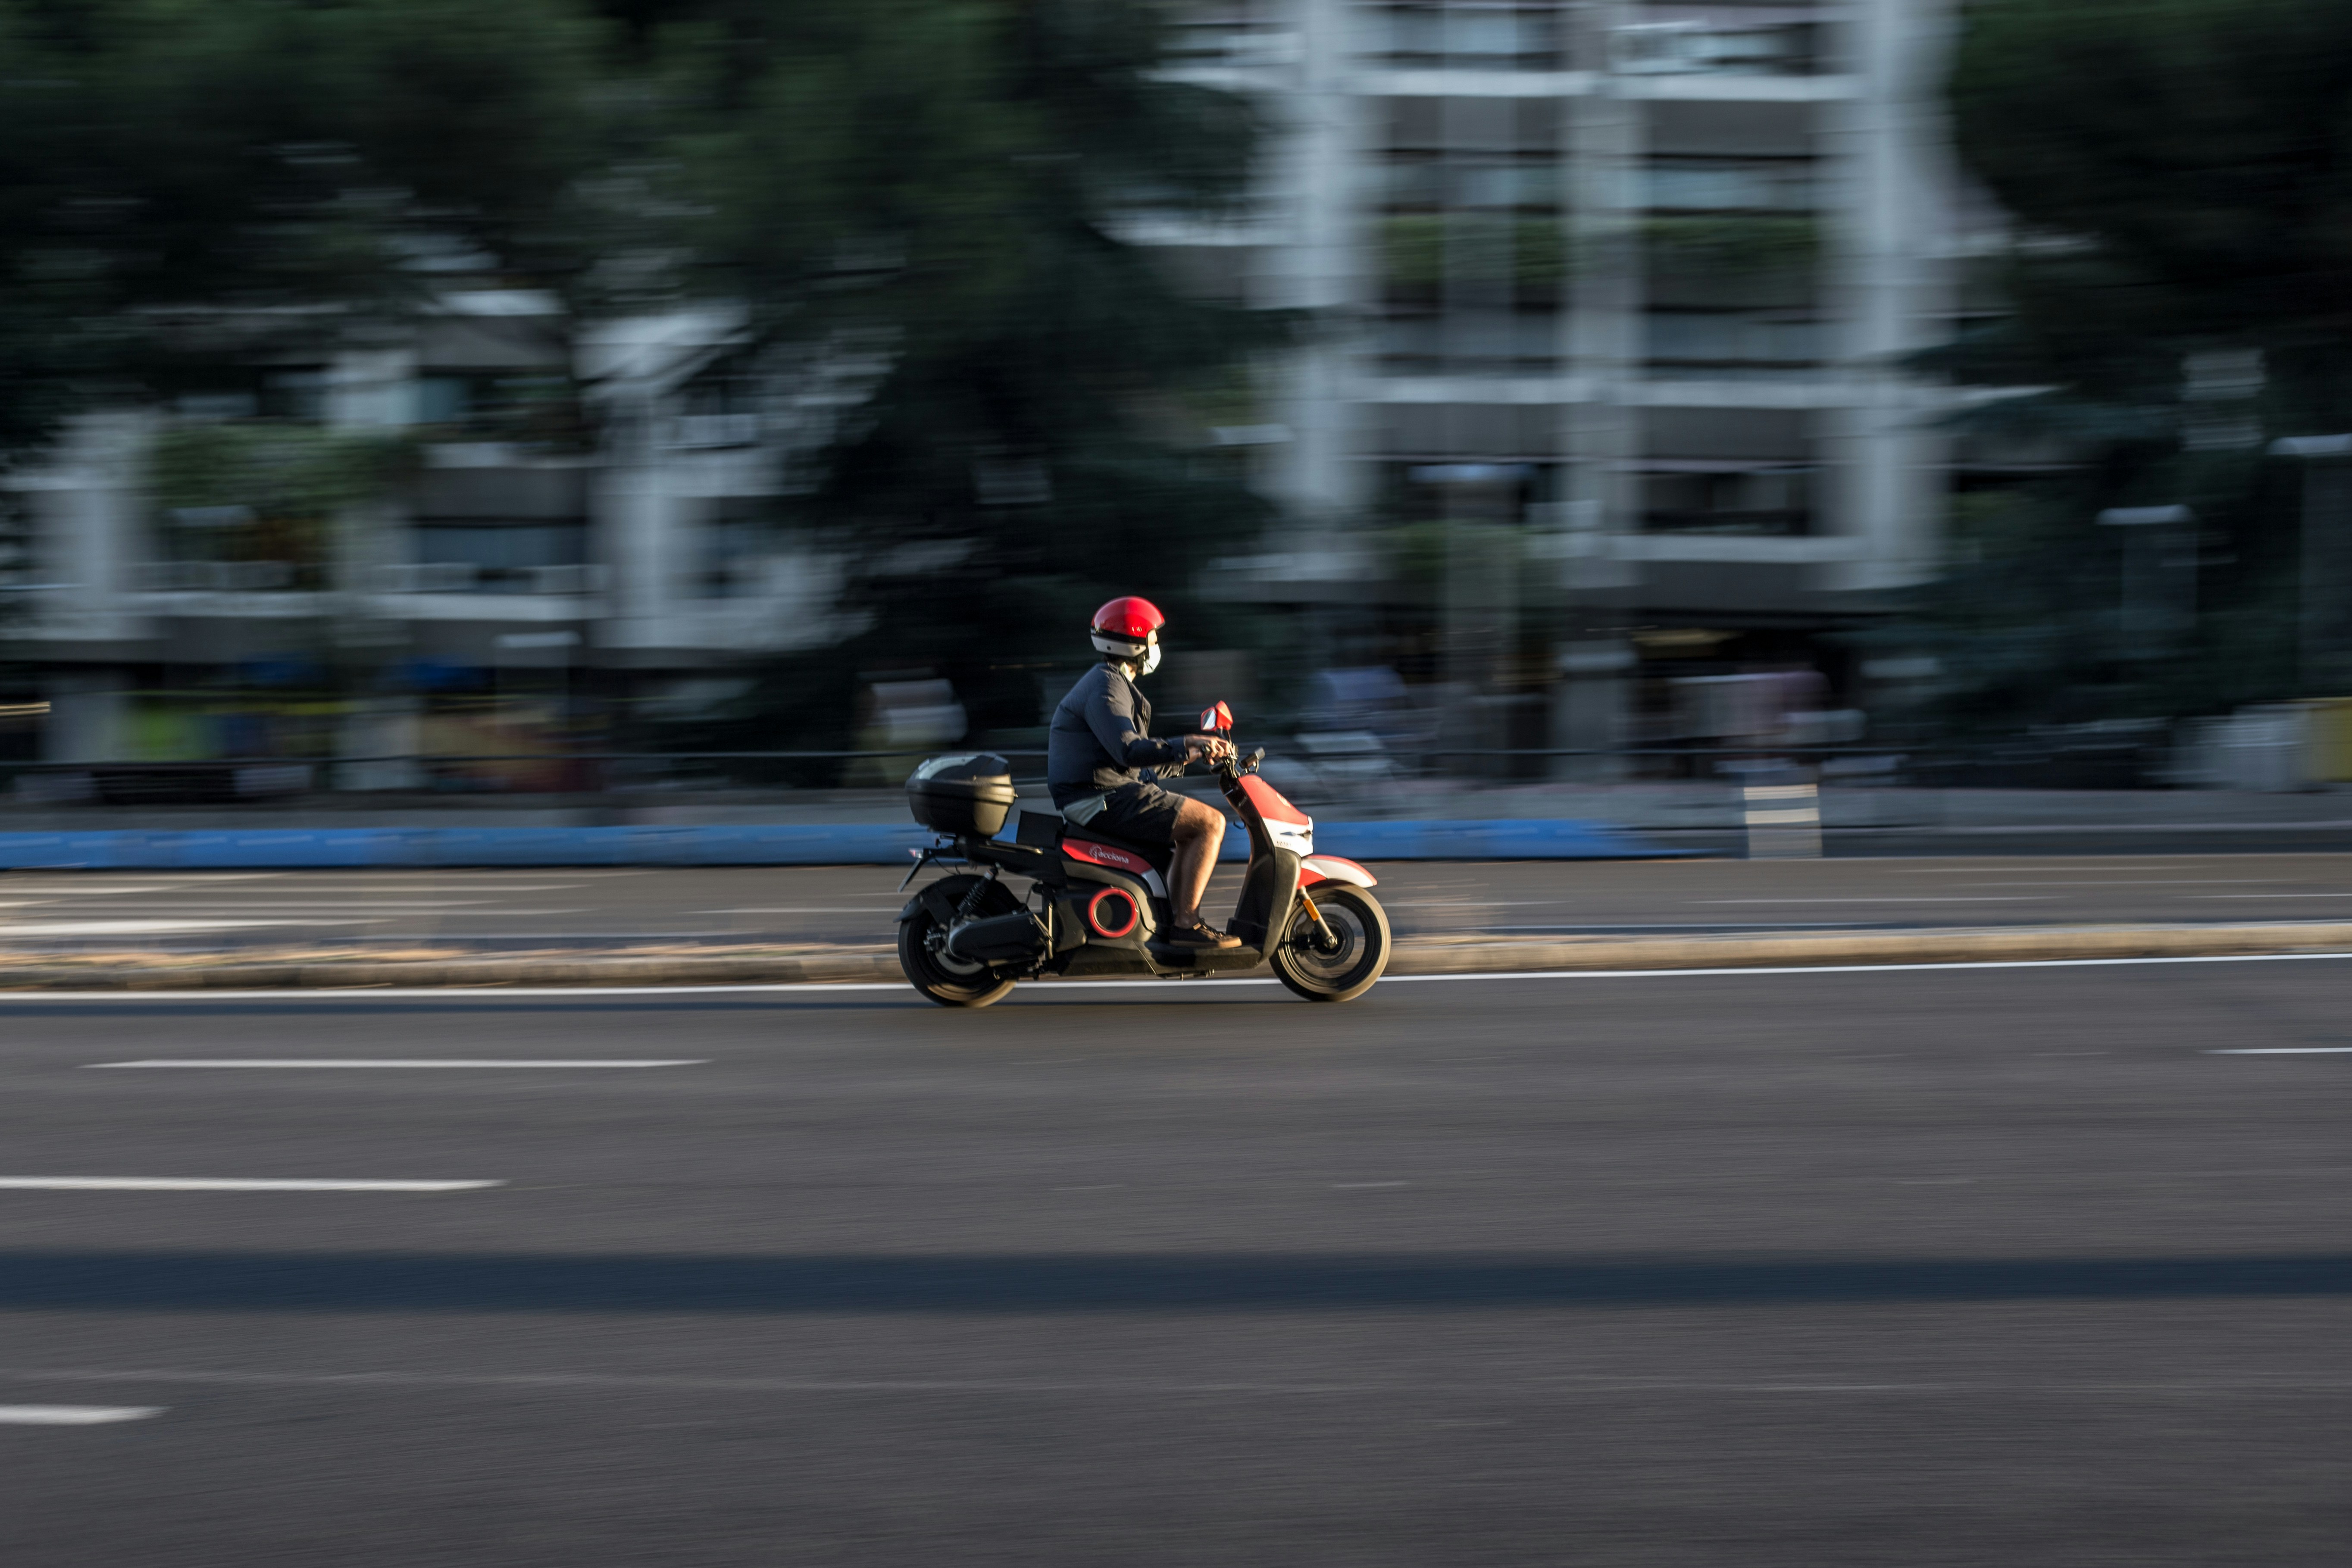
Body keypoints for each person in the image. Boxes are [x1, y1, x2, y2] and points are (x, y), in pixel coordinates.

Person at [1047, 596, 1239, 948]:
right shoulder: (1106, 687)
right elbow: (1130, 750)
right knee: (1210, 823)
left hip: (1104, 790)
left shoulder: (1110, 683)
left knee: (1190, 828)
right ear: (1135, 643)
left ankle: (1176, 922)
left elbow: (1134, 760)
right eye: (1153, 639)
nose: (1156, 647)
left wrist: (1192, 753)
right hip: (1099, 797)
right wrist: (1184, 743)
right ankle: (1186, 925)